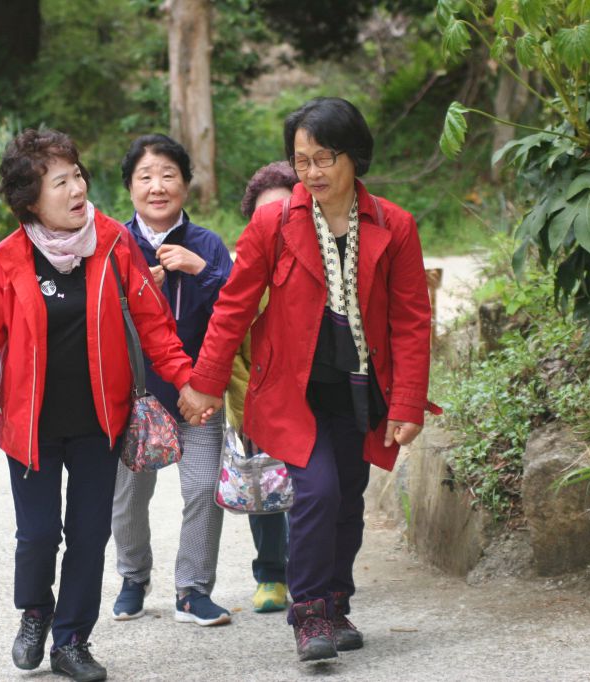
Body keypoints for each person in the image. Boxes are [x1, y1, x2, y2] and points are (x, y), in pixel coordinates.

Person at [179, 97, 438, 662]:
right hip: (292, 393)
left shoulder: (393, 225)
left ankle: (337, 602)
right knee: (318, 491)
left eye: (325, 158)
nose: (312, 173)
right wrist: (206, 381)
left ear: (354, 157)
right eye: (302, 161)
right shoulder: (273, 222)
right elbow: (234, 307)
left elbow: (411, 320)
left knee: (347, 499)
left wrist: (407, 403)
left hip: (359, 390)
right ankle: (311, 611)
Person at [0, 128, 202, 682]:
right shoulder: (6, 261)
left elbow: (155, 325)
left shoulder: (113, 243)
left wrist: (187, 381)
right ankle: (35, 612)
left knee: (89, 535)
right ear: (30, 199)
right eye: (60, 182)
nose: (77, 189)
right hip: (30, 429)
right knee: (38, 535)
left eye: (77, 175)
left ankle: (72, 641)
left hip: (99, 423)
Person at [109, 134, 233, 627]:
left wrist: (201, 271)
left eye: (168, 175)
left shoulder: (208, 245)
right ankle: (133, 577)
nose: (157, 186)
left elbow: (238, 313)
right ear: (130, 187)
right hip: (135, 396)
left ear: (185, 184)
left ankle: (193, 590)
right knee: (128, 496)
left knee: (203, 488)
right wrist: (135, 287)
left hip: (197, 394)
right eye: (145, 177)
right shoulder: (113, 244)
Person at [226, 161, 298, 614]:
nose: (276, 223)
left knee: (315, 491)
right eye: (265, 215)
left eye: (285, 212)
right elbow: (229, 346)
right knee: (264, 490)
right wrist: (246, 404)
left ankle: (312, 571)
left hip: (310, 397)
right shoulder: (242, 272)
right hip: (258, 398)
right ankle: (271, 574)